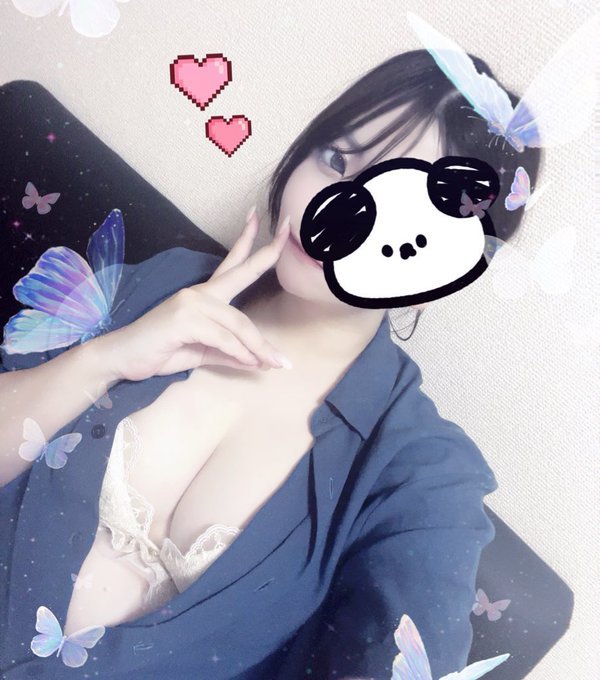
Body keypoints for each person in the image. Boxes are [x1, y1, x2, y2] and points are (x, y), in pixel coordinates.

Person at [0, 49, 541, 679]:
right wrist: (105, 357)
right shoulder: (172, 283)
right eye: (337, 160)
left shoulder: (420, 473)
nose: (336, 210)